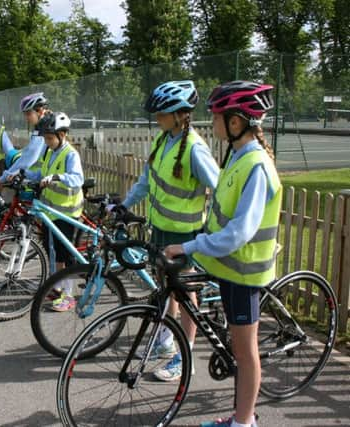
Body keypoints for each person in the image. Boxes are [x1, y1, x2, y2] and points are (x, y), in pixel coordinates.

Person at [164, 81, 280, 427]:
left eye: (217, 116)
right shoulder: (236, 157)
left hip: (244, 273)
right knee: (237, 348)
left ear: (235, 122)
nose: (211, 123)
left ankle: (244, 422)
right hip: (227, 268)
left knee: (245, 354)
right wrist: (198, 241)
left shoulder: (256, 166)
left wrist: (190, 245)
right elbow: (219, 218)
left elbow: (239, 233)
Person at [111, 80, 220, 381]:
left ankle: (186, 357)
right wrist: (125, 204)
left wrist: (209, 230)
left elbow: (220, 189)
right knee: (164, 290)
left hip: (184, 236)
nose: (156, 118)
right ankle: (167, 341)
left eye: (161, 114)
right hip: (160, 231)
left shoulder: (195, 149)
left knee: (186, 296)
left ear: (179, 114)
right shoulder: (163, 141)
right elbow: (146, 181)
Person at [18, 112, 84, 312]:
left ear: (62, 135)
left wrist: (57, 177)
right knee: (52, 251)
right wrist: (24, 173)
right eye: (45, 138)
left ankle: (69, 295)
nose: (46, 142)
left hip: (66, 212)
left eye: (49, 138)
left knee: (65, 255)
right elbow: (41, 173)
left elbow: (77, 179)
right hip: (50, 212)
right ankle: (56, 288)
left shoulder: (70, 154)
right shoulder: (49, 152)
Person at [0, 92, 50, 183]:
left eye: (28, 114)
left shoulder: (44, 129)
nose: (26, 118)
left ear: (40, 111)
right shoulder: (41, 127)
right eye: (25, 114)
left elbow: (29, 157)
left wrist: (3, 178)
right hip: (40, 177)